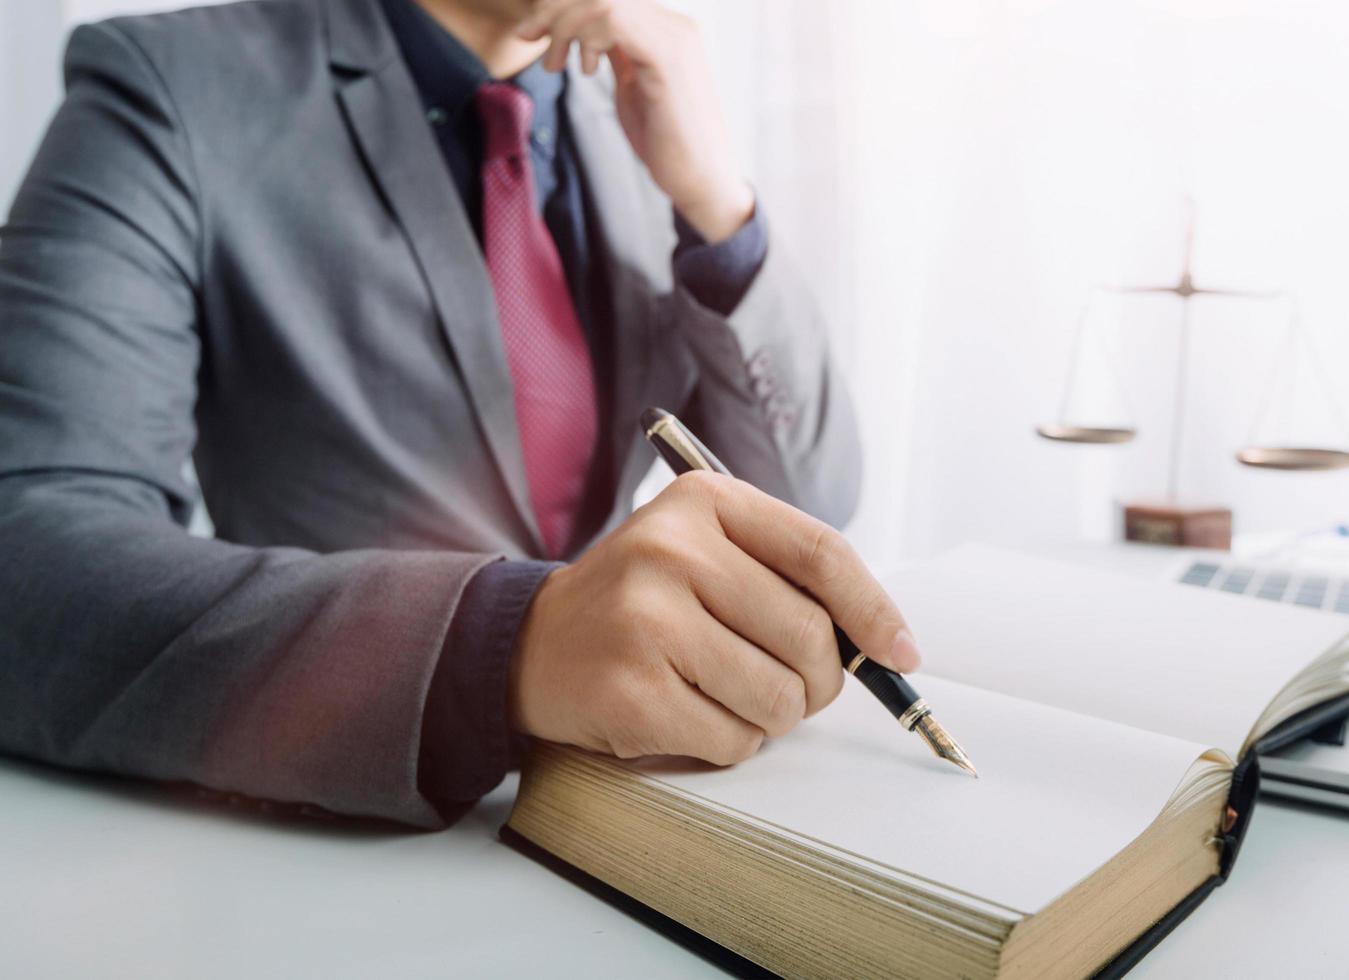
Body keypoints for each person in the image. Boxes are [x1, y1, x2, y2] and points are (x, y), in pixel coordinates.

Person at [0, 0, 913, 829]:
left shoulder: (644, 110)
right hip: (325, 833)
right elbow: (25, 562)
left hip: (640, 812)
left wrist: (721, 212)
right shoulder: (172, 86)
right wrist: (503, 647)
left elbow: (804, 508)